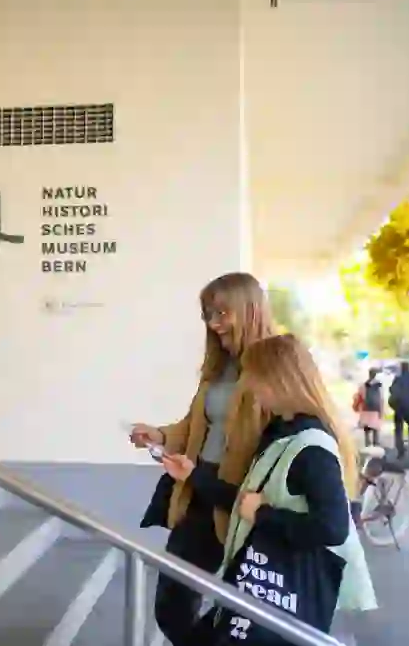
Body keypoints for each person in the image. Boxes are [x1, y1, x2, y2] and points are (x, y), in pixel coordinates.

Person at [162, 334, 376, 645]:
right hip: (261, 587)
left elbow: (332, 528)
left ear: (278, 379)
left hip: (276, 592)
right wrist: (194, 476)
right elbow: (246, 501)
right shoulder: (283, 432)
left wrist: (262, 515)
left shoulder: (311, 446)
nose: (247, 385)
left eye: (253, 376)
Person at [128, 272, 274, 646]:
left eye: (223, 312)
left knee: (247, 611)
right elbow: (197, 425)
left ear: (250, 309)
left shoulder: (276, 364)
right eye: (209, 313)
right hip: (197, 486)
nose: (213, 324)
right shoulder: (218, 367)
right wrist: (160, 436)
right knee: (172, 605)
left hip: (244, 498)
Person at [351, 368, 383, 447]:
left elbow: (359, 397)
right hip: (375, 409)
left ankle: (367, 444)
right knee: (375, 428)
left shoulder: (363, 385)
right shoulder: (379, 385)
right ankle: (376, 444)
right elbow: (381, 399)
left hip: (366, 409)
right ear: (375, 375)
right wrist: (381, 411)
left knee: (367, 429)